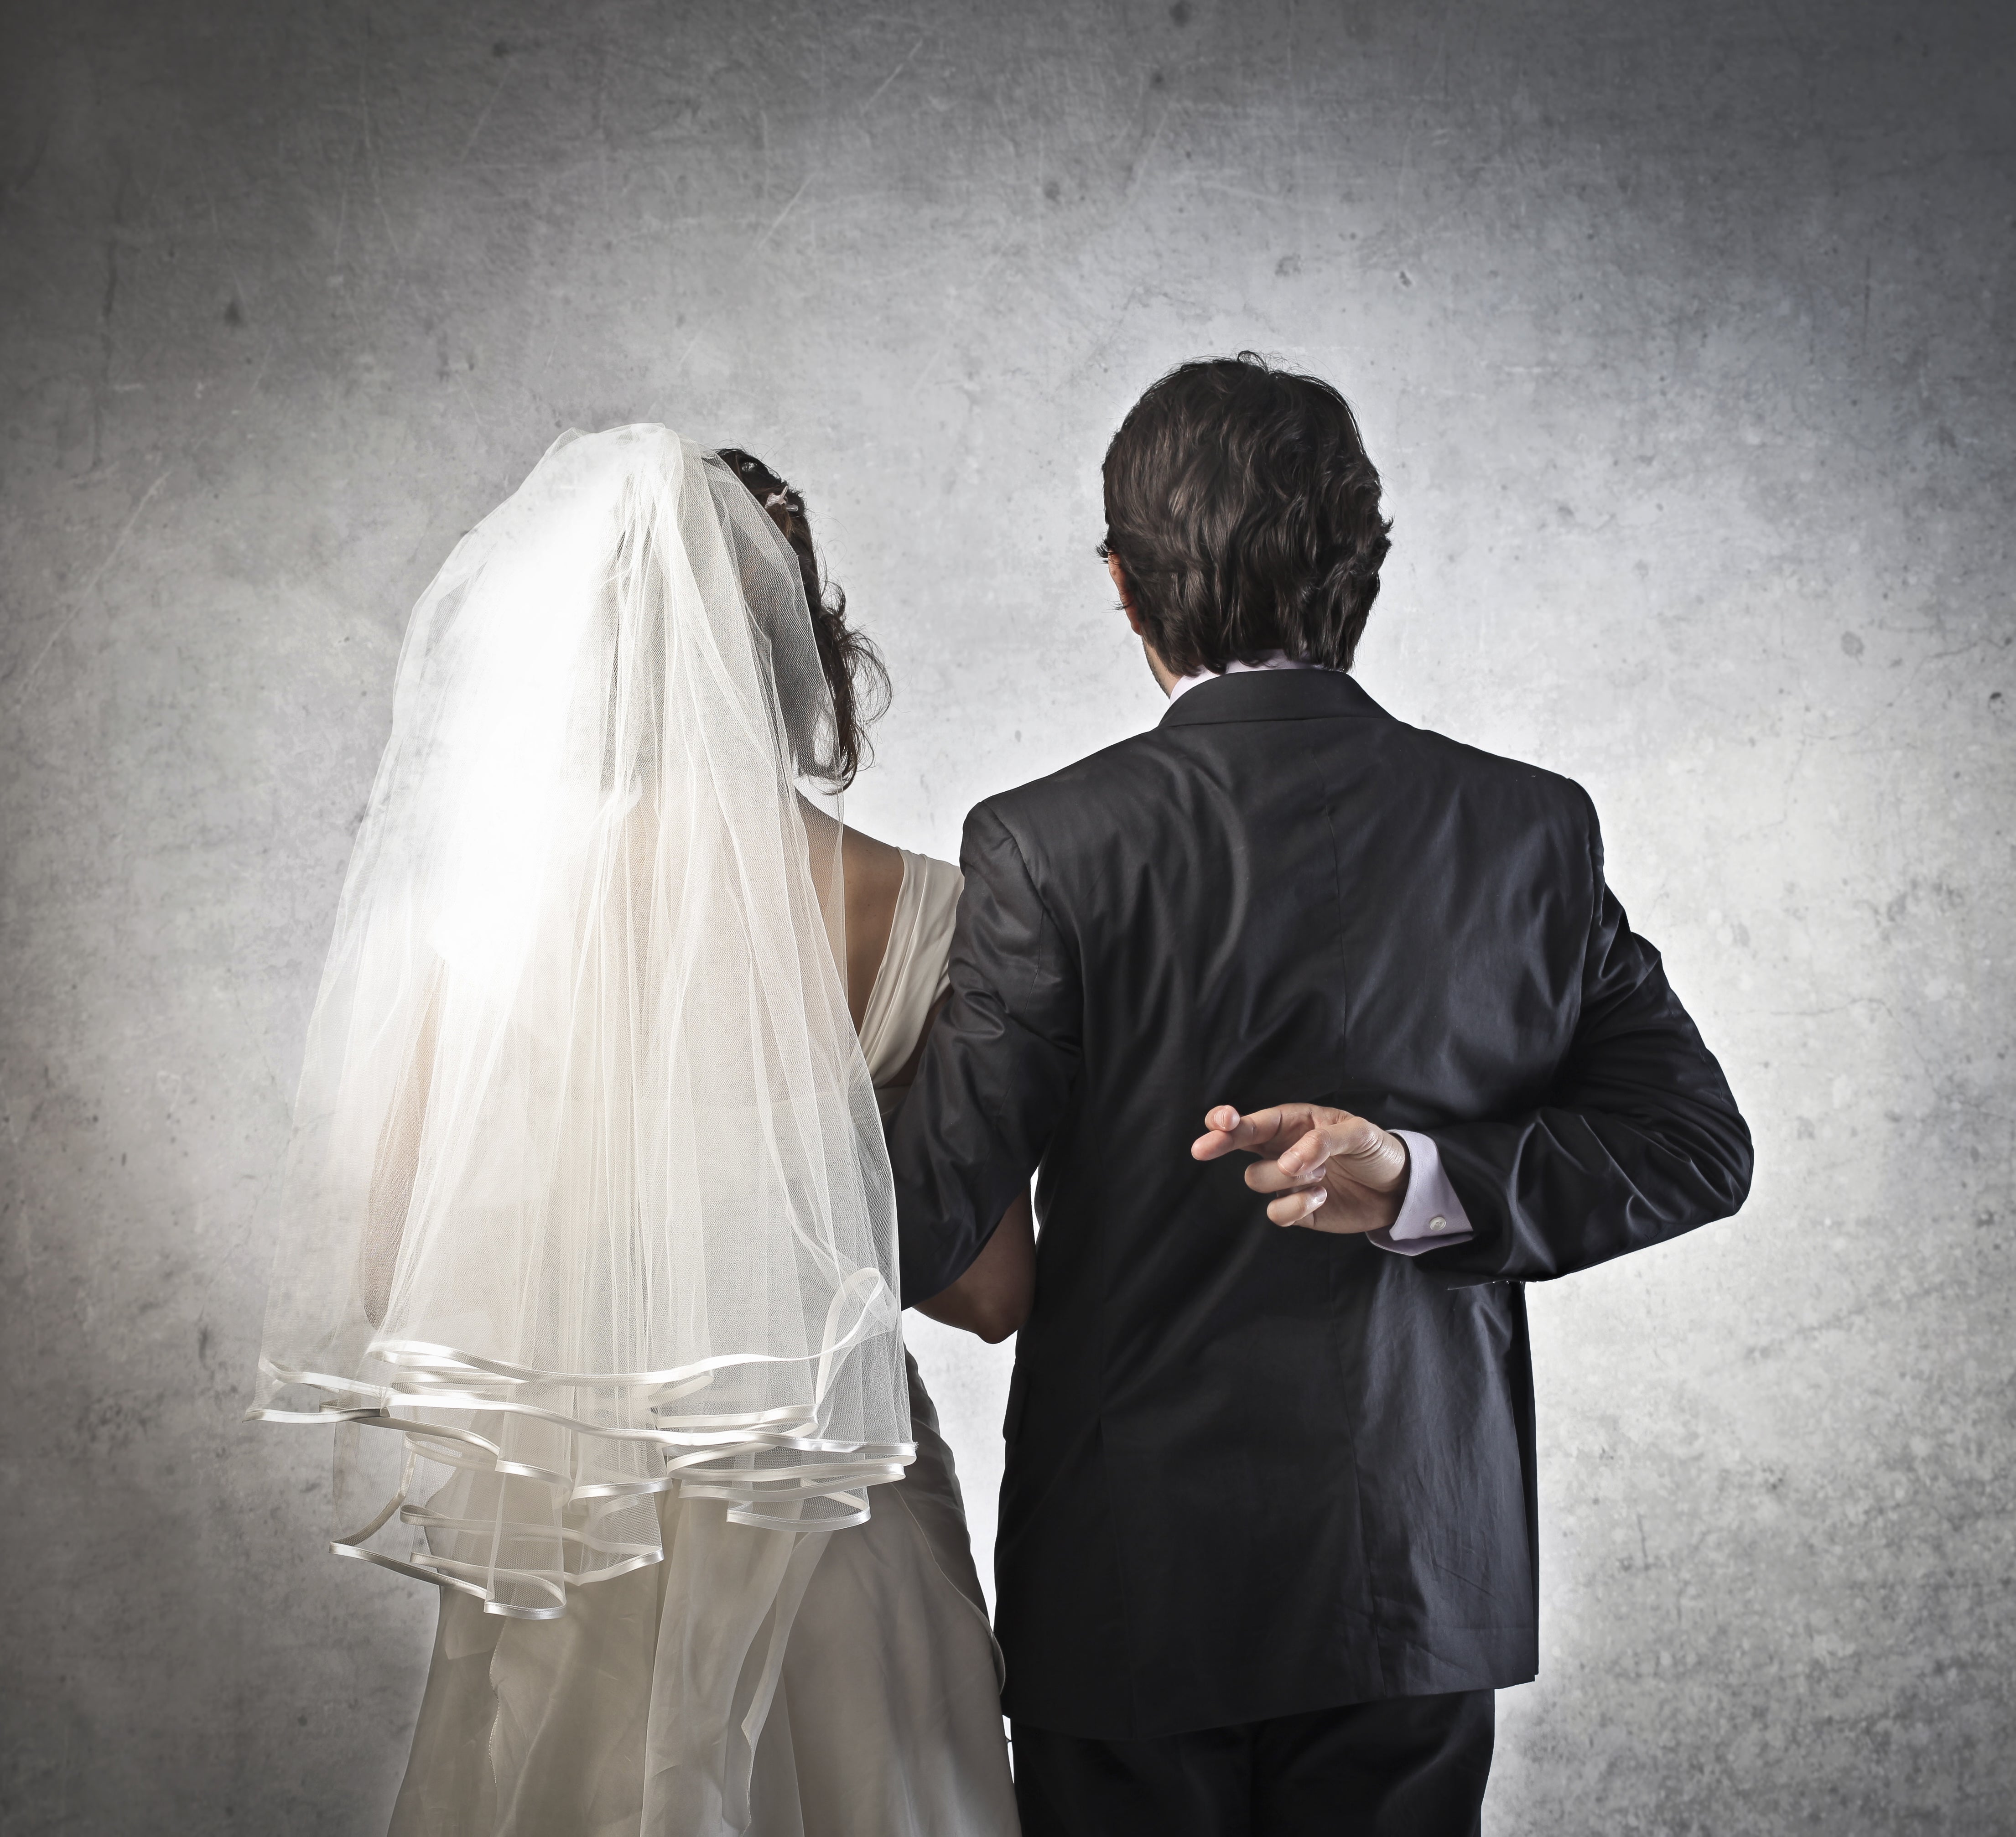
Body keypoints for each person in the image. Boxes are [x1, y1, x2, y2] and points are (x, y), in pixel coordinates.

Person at [886, 354, 1754, 1836]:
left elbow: (924, 1212)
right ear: (1366, 563)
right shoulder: (1525, 830)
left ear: (1122, 582)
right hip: (1418, 1573)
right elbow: (1691, 1145)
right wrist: (1428, 1175)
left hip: (1126, 1577)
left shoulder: (1045, 846)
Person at [251, 427, 1032, 1836]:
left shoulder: (488, 916)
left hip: (582, 1545)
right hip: (837, 1532)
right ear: (794, 639)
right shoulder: (925, 908)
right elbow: (989, 1293)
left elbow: (392, 1274)